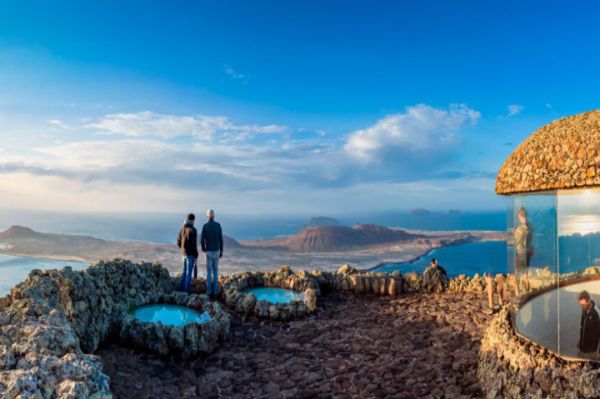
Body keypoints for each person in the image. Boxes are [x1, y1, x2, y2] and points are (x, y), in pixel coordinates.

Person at [201, 208, 223, 299]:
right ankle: (216, 290)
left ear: (207, 216)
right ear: (213, 216)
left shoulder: (205, 226)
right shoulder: (218, 225)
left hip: (208, 251)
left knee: (209, 272)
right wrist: (221, 250)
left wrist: (204, 249)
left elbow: (202, 240)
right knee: (216, 271)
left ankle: (209, 291)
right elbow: (221, 239)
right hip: (216, 251)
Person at [176, 213, 198, 294]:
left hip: (183, 254)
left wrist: (183, 249)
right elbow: (194, 245)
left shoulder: (182, 229)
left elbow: (178, 242)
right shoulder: (193, 230)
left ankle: (180, 288)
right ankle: (186, 291)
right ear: (193, 220)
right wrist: (196, 255)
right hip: (190, 255)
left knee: (184, 271)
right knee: (189, 273)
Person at [514, 206, 533, 295]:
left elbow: (516, 241)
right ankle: (527, 291)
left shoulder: (519, 229)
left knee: (516, 274)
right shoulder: (530, 227)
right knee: (526, 274)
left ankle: (518, 293)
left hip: (520, 253)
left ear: (519, 215)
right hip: (527, 253)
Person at [577, 290, 600, 360]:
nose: (582, 307)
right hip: (582, 349)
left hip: (592, 352)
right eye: (580, 304)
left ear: (588, 301)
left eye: (583, 305)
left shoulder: (597, 314)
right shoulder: (584, 310)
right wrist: (580, 341)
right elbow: (582, 327)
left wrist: (599, 353)